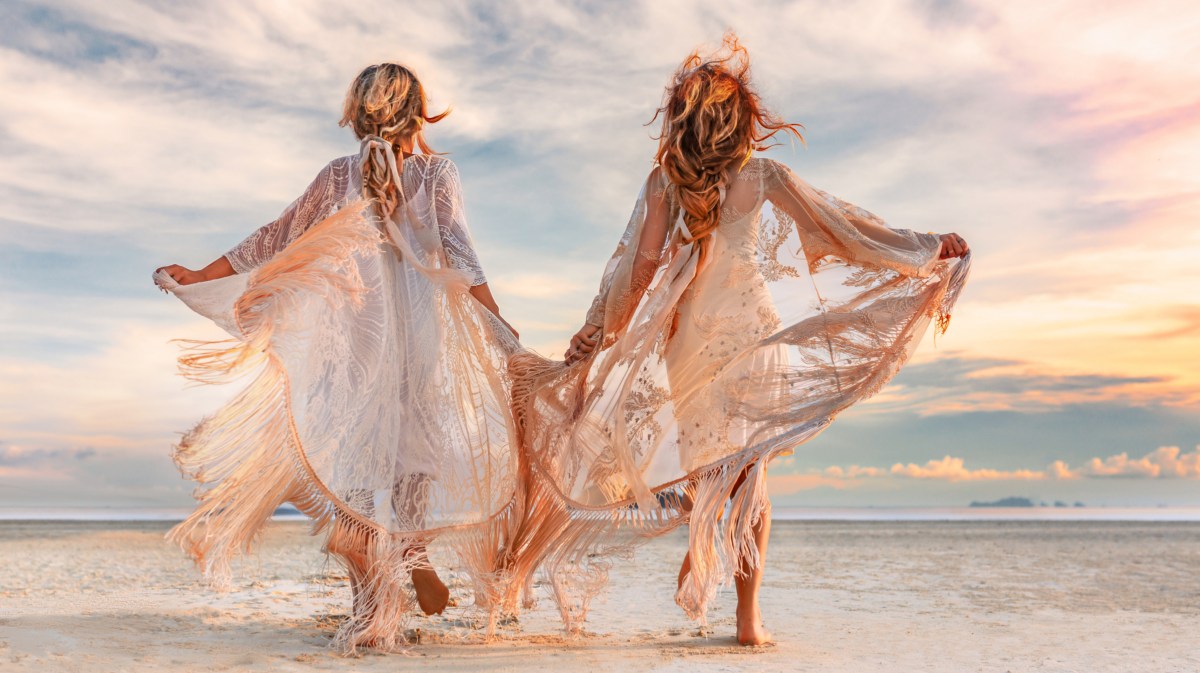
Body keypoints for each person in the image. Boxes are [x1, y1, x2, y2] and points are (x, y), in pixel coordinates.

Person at [510, 34, 970, 646]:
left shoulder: (662, 183)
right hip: (753, 334)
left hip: (689, 343)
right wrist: (923, 247)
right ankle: (747, 619)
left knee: (710, 470)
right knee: (750, 475)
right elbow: (843, 229)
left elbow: (638, 268)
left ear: (682, 122)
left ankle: (707, 536)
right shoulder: (761, 175)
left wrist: (600, 330)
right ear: (737, 122)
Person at [155, 63, 522, 652]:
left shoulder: (337, 175)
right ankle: (414, 553)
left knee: (353, 455)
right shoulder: (436, 173)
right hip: (419, 334)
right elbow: (460, 253)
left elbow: (277, 235)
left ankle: (367, 606)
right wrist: (497, 323)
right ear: (421, 114)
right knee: (412, 448)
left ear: (354, 116)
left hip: (353, 333)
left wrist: (202, 274)